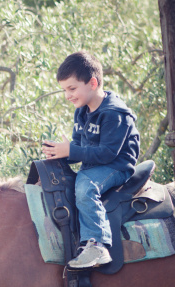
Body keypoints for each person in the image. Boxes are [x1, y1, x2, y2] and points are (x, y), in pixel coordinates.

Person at [42, 51, 140, 268]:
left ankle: (98, 245)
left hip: (117, 166)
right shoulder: (82, 111)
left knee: (85, 186)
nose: (67, 95)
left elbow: (108, 154)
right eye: (64, 90)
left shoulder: (114, 114)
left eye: (72, 88)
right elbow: (78, 147)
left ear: (93, 83)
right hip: (95, 164)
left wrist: (71, 151)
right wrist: (58, 155)